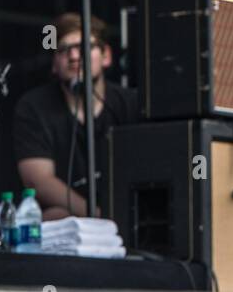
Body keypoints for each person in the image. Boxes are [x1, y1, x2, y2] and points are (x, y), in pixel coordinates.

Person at [12, 13, 139, 221]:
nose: (73, 56)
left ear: (106, 55)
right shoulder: (33, 106)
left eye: (83, 47)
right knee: (56, 215)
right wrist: (98, 216)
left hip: (127, 217)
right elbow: (38, 181)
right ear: (54, 64)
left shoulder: (130, 103)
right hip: (72, 220)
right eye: (63, 50)